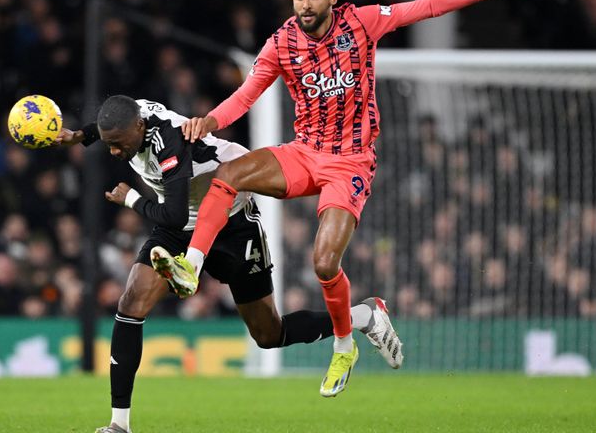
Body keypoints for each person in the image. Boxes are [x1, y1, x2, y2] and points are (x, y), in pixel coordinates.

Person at [157, 0, 541, 397]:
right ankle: (190, 265)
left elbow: (426, 6)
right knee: (227, 175)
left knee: (324, 263)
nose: (303, 4)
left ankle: (344, 346)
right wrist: (209, 121)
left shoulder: (361, 22)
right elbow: (247, 95)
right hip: (303, 153)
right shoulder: (282, 42)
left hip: (350, 163)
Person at [55, 95, 391, 433]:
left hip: (233, 221)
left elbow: (170, 214)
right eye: (108, 142)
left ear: (140, 126)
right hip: (183, 226)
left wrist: (130, 198)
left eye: (118, 144)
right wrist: (80, 135)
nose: (114, 151)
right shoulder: (129, 117)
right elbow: (114, 132)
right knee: (130, 303)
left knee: (269, 333)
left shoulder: (168, 142)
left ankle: (362, 316)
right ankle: (118, 425)